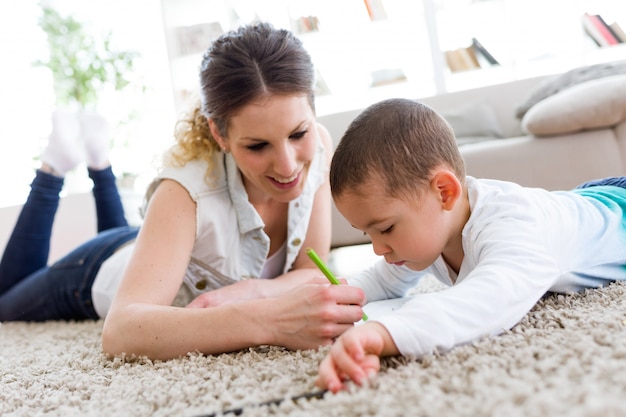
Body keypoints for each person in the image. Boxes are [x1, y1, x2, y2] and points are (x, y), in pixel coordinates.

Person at [0, 22, 367, 360]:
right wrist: (266, 319)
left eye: (297, 133)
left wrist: (251, 291)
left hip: (158, 244)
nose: (287, 166)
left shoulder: (319, 144)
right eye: (257, 146)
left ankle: (99, 162)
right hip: (95, 270)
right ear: (219, 134)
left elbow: (312, 270)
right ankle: (53, 168)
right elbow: (120, 332)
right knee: (5, 303)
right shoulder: (184, 191)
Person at [315, 98, 626, 393]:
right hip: (580, 199)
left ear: (444, 192)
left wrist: (386, 333)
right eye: (368, 234)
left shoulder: (515, 227)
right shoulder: (434, 227)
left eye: (385, 229)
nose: (379, 249)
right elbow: (384, 279)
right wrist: (340, 298)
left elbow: (488, 301)